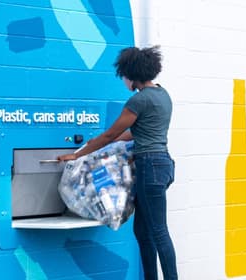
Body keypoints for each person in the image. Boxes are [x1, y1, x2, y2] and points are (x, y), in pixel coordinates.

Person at [57, 45, 177, 280]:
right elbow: (134, 133)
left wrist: (78, 154)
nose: (123, 80)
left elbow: (111, 134)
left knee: (158, 232)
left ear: (132, 74)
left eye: (123, 76)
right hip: (163, 165)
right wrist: (96, 144)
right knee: (143, 231)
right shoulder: (163, 95)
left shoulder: (139, 101)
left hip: (149, 167)